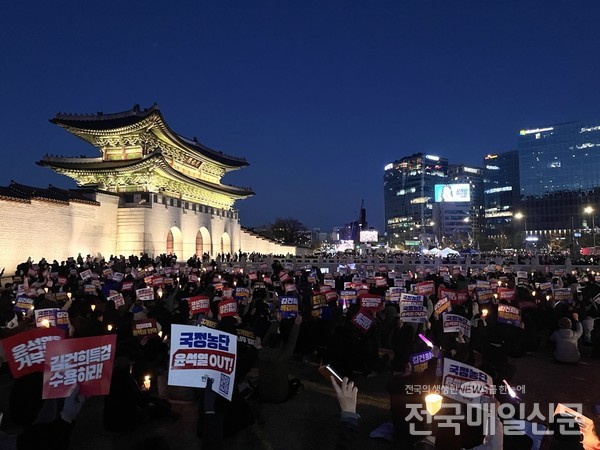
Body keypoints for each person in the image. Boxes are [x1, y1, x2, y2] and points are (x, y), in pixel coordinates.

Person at [257, 314, 303, 403]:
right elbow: (292, 341)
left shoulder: (260, 352)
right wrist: (297, 324)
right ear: (280, 345)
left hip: (262, 394)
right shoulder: (283, 355)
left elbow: (267, 338)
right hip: (280, 396)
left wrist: (277, 322)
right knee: (296, 382)